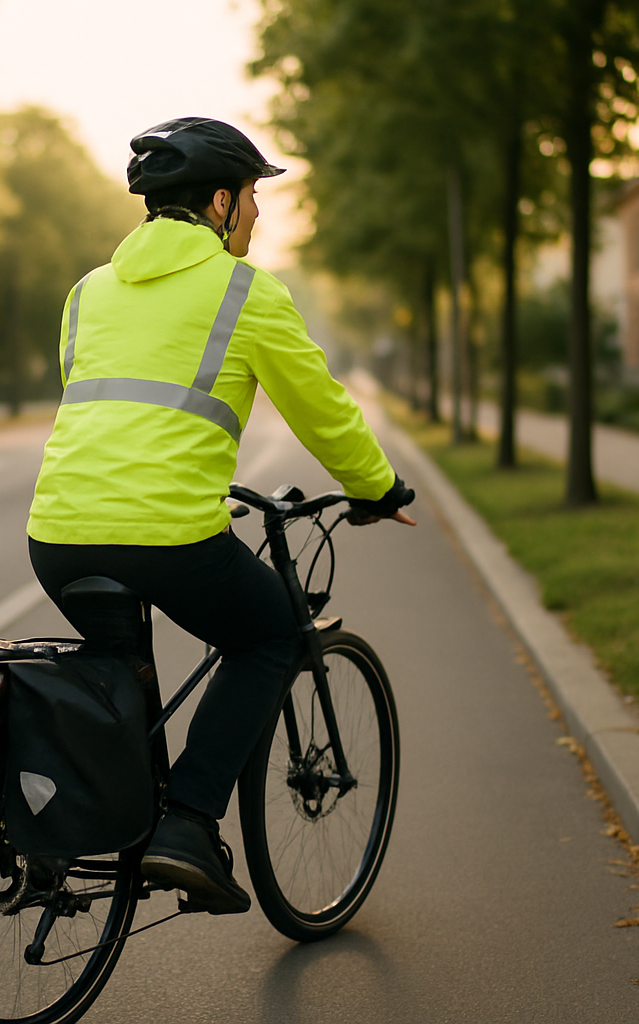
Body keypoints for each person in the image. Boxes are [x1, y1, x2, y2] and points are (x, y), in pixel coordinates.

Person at [27, 116, 415, 916]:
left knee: (116, 681)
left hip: (56, 534)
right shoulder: (245, 292)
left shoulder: (87, 290)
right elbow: (322, 409)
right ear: (218, 203)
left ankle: (62, 832)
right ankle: (189, 825)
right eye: (251, 196)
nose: (258, 215)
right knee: (271, 634)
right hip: (167, 535)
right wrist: (378, 488)